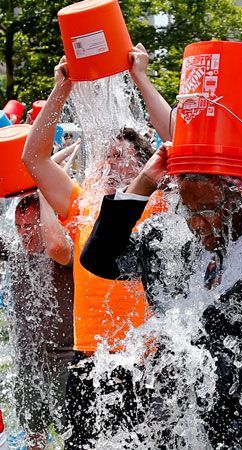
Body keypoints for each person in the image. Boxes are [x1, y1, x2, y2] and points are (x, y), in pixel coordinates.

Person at [79, 140, 242, 448]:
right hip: (192, 430)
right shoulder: (169, 244)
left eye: (207, 210)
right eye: (186, 210)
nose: (196, 223)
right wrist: (144, 181)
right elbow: (98, 258)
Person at [21, 56, 161, 449]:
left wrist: (141, 78)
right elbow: (33, 159)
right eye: (106, 156)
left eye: (121, 157)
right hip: (89, 356)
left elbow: (178, 144)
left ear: (143, 166)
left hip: (146, 358)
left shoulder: (159, 205)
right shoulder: (83, 204)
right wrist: (60, 89)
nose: (109, 163)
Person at [1, 193, 73, 450]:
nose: (24, 234)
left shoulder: (66, 252)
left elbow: (56, 248)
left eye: (30, 226)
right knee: (33, 436)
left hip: (65, 359)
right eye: (19, 227)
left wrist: (44, 190)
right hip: (29, 360)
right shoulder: (15, 253)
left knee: (74, 436)